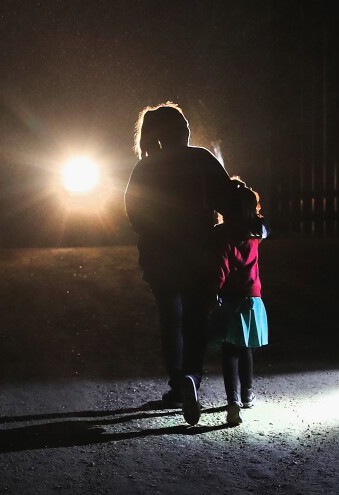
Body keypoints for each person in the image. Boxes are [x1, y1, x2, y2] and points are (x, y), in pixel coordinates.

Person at [124, 102, 232, 425]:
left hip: (160, 256)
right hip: (199, 253)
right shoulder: (201, 160)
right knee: (196, 318)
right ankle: (192, 377)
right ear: (182, 131)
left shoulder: (145, 168)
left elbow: (133, 213)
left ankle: (177, 382)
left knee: (170, 319)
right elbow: (228, 200)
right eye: (185, 125)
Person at [211, 178, 270, 426]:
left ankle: (232, 401)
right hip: (252, 297)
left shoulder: (222, 234)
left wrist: (214, 291)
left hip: (230, 298)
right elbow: (264, 224)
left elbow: (221, 267)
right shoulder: (256, 232)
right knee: (247, 348)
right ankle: (247, 395)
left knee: (229, 351)